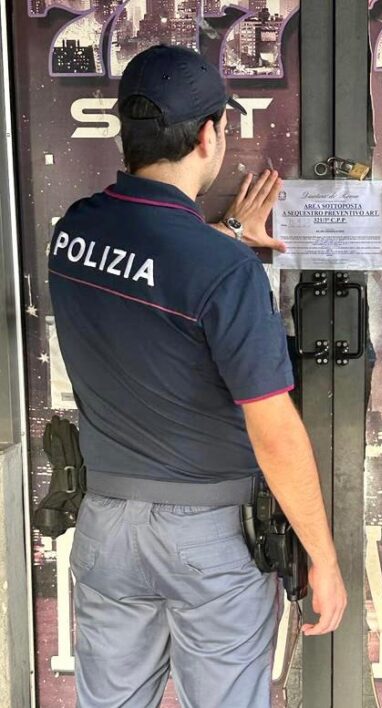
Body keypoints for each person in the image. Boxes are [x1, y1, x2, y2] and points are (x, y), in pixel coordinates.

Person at [48, 44, 346, 708]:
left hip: (106, 527)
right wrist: (322, 558)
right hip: (206, 536)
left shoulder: (73, 234)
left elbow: (148, 271)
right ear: (210, 135)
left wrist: (230, 233)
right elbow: (274, 431)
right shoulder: (223, 272)